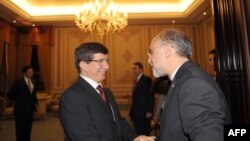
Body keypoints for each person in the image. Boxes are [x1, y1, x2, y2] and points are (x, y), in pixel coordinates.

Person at [59, 42, 155, 141]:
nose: (107, 66)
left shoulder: (106, 92)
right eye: (101, 61)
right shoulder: (72, 97)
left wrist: (135, 138)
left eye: (107, 61)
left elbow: (118, 122)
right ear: (84, 65)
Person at [147, 29, 231, 141]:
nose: (149, 60)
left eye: (151, 53)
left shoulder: (193, 83)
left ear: (167, 50)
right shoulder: (181, 80)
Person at [7, 65, 38, 141]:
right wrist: (19, 100)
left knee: (28, 129)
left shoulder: (33, 82)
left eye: (32, 72)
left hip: (30, 111)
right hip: (20, 111)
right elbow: (9, 94)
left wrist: (35, 103)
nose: (32, 73)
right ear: (24, 73)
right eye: (30, 72)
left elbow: (33, 94)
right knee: (20, 131)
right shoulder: (18, 82)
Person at [129, 62, 154, 135]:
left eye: (135, 68)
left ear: (141, 69)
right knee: (138, 133)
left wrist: (149, 110)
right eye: (133, 69)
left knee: (144, 134)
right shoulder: (136, 80)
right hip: (136, 113)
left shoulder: (147, 79)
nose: (133, 70)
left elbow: (150, 96)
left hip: (144, 113)